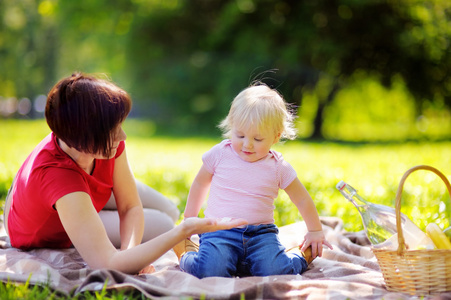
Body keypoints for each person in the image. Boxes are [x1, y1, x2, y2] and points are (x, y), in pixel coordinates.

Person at [3, 72, 247, 275]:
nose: (122, 137)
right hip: (42, 222)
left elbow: (130, 206)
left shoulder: (99, 143)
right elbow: (108, 264)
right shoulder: (60, 177)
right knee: (164, 224)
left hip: (69, 186)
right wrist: (183, 231)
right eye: (113, 130)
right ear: (84, 138)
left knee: (169, 209)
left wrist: (130, 252)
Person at [174, 83, 333, 278]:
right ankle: (185, 251)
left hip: (261, 235)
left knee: (277, 272)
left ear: (276, 136)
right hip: (219, 231)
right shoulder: (220, 154)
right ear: (231, 126)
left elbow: (301, 199)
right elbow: (200, 183)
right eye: (240, 135)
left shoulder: (278, 166)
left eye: (258, 139)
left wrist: (315, 230)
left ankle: (301, 255)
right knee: (211, 270)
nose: (247, 144)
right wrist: (190, 219)